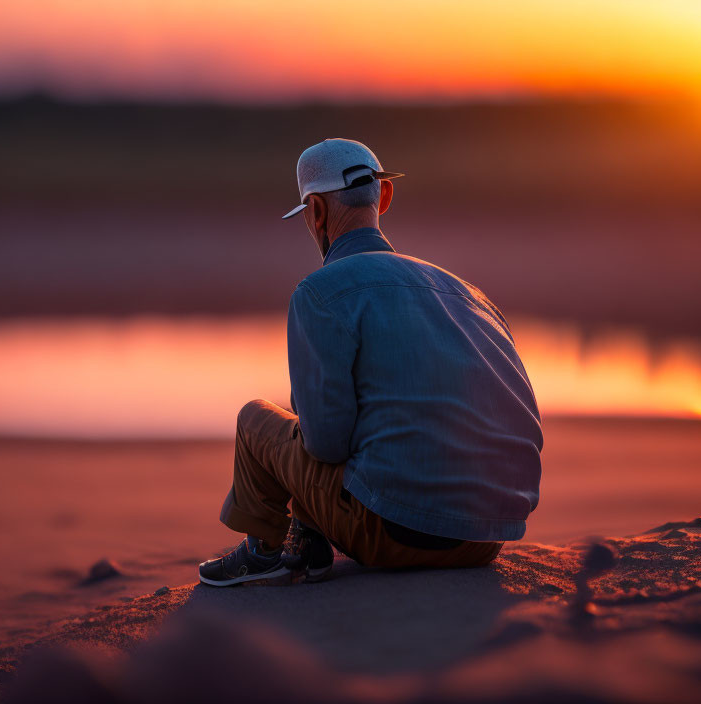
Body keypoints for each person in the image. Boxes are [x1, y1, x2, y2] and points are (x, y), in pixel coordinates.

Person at [199, 138, 543, 586]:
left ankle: (265, 551)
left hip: (395, 536)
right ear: (383, 196)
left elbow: (325, 446)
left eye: (307, 214)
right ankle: (308, 535)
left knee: (259, 420)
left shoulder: (320, 292)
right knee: (363, 405)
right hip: (485, 539)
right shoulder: (469, 294)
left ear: (316, 212)